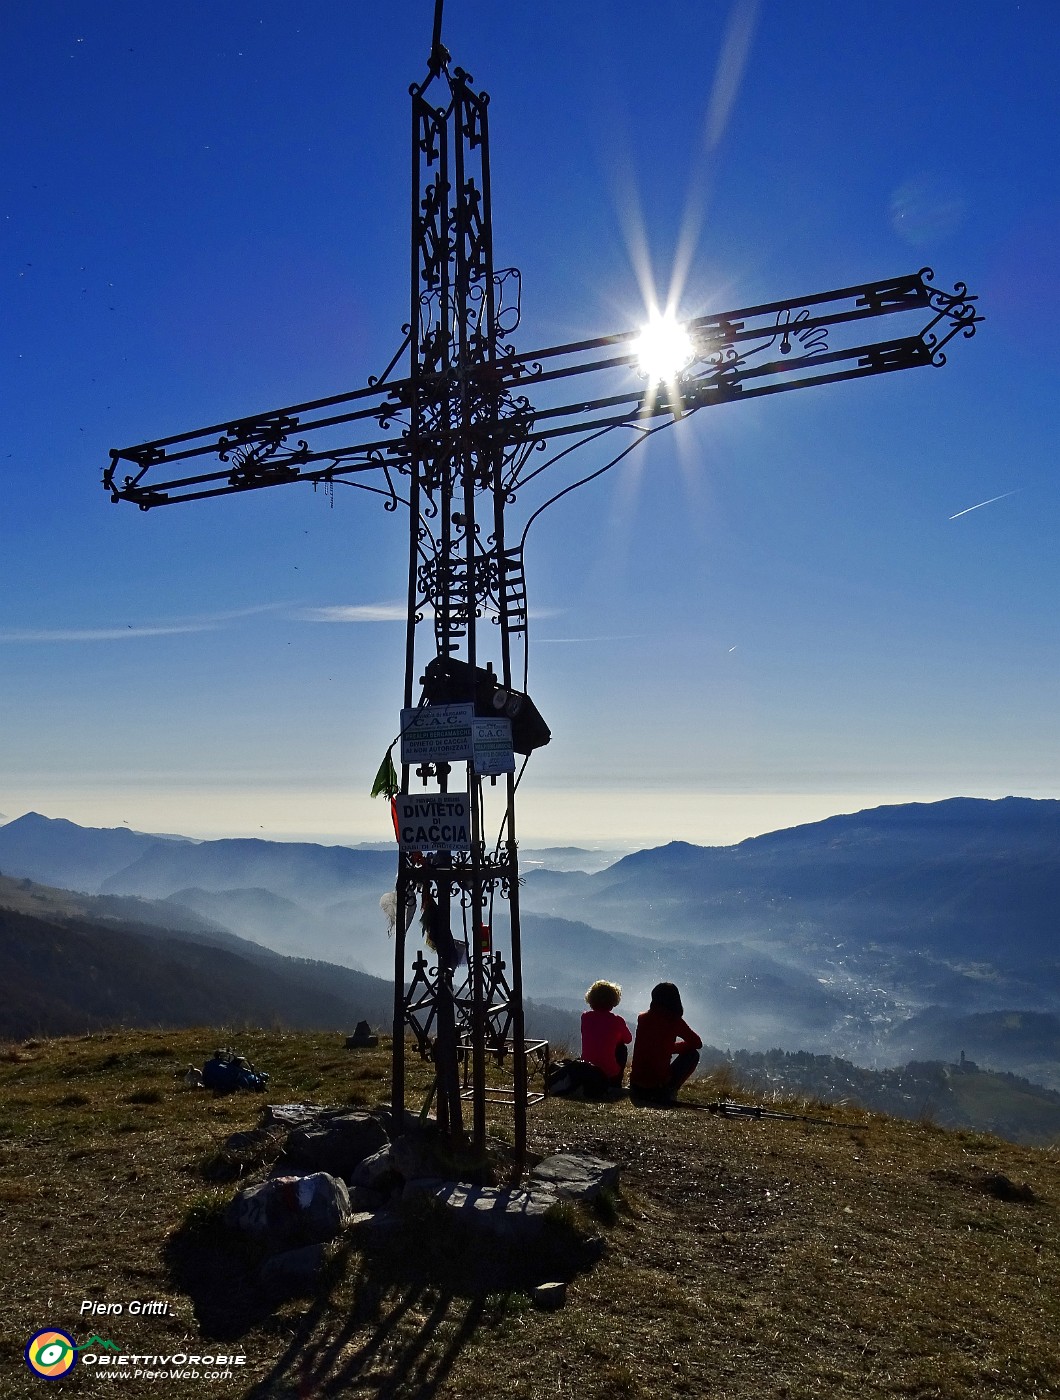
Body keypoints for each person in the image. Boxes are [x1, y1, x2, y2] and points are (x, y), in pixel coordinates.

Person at [629, 982, 702, 1102]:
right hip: (658, 1085)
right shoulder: (675, 1021)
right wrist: (674, 1048)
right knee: (693, 1054)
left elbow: (651, 1045)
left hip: (636, 1084)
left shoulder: (643, 1018)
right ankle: (670, 1091)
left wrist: (669, 1047)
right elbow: (697, 1043)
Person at [580, 980, 633, 1090]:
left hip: (586, 1070)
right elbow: (628, 1039)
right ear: (613, 1000)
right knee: (622, 1048)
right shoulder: (617, 1021)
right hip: (610, 1074)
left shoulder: (585, 1017)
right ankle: (615, 1085)